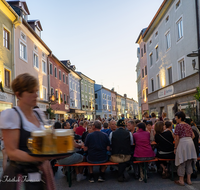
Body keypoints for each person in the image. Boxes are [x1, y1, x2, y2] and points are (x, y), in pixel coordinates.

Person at [0, 73, 56, 190]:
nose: (36, 95)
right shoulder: (12, 115)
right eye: (31, 92)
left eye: (36, 91)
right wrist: (39, 158)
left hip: (43, 170)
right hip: (21, 174)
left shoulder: (39, 114)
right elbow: (12, 152)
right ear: (18, 94)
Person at [174, 111, 197, 186]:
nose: (175, 119)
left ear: (180, 118)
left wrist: (175, 147)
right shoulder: (188, 125)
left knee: (182, 161)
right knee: (189, 162)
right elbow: (193, 135)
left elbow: (177, 138)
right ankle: (189, 180)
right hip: (190, 143)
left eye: (176, 117)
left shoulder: (178, 126)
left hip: (183, 143)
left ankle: (181, 180)